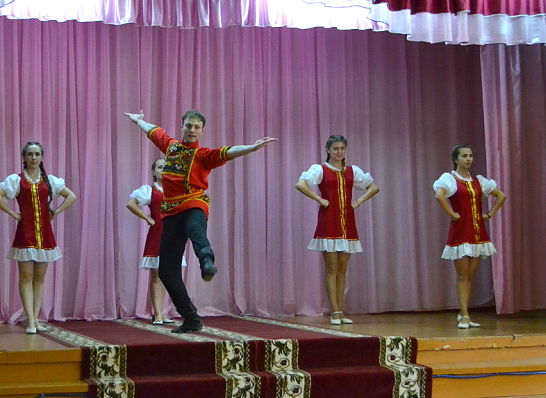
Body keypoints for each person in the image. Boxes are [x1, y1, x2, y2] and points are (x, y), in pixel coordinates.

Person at [125, 109, 276, 333]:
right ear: (182, 127)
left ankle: (206, 260)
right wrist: (139, 121)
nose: (192, 130)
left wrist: (251, 148)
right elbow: (153, 131)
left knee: (195, 228)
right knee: (166, 271)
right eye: (188, 126)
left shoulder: (203, 155)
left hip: (193, 203)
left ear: (202, 131)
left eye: (196, 127)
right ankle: (191, 318)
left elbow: (227, 152)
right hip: (170, 213)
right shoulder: (171, 147)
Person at [0, 142, 77, 334]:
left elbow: (71, 196)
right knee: (26, 277)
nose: (34, 157)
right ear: (24, 157)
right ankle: (30, 320)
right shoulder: (17, 180)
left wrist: (56, 212)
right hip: (25, 234)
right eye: (30, 154)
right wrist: (14, 214)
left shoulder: (49, 181)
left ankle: (36, 318)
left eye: (37, 154)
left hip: (45, 234)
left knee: (39, 278)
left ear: (42, 157)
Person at [296, 135, 379, 325]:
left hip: (348, 223)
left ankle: (340, 310)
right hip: (329, 221)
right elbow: (300, 184)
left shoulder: (352, 171)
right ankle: (334, 311)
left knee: (343, 269)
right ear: (328, 150)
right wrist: (319, 199)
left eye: (342, 148)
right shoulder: (321, 170)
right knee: (332, 268)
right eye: (335, 148)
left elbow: (373, 187)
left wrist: (358, 201)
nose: (339, 152)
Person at [434, 144, 506, 329]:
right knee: (462, 276)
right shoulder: (449, 179)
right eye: (464, 156)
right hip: (460, 232)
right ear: (456, 159)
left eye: (470, 155)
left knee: (469, 277)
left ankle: (463, 313)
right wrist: (453, 214)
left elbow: (501, 196)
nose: (468, 159)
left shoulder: (479, 181)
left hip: (477, 233)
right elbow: (439, 195)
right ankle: (464, 315)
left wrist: (489, 214)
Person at [126, 158, 186, 325]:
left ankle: (162, 312)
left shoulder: (176, 190)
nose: (163, 170)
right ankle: (157, 313)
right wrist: (146, 217)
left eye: (166, 167)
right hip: (157, 234)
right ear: (154, 171)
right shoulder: (149, 191)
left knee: (168, 276)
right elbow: (131, 204)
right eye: (160, 167)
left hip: (173, 235)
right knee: (156, 276)